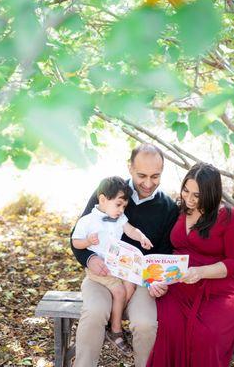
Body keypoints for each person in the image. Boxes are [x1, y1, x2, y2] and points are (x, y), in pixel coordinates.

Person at [71, 144, 179, 367]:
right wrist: (90, 259)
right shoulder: (110, 191)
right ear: (130, 168)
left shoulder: (168, 207)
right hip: (103, 275)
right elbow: (77, 237)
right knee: (93, 313)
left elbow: (165, 253)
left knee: (146, 324)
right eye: (141, 175)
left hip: (140, 282)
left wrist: (159, 281)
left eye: (155, 176)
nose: (148, 183)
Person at [147, 162, 234, 367]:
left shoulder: (229, 217)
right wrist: (156, 278)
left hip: (220, 289)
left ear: (211, 194)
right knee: (169, 328)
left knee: (206, 335)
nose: (189, 198)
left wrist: (201, 272)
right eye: (186, 190)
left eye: (197, 195)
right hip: (179, 286)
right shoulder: (178, 211)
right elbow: (164, 250)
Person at [71, 176, 154, 353]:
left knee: (130, 283)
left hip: (116, 266)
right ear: (102, 199)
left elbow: (130, 230)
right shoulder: (87, 221)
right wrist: (87, 242)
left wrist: (141, 237)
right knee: (119, 290)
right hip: (100, 269)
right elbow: (75, 242)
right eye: (118, 205)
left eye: (124, 206)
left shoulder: (119, 218)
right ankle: (116, 330)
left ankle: (112, 318)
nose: (121, 210)